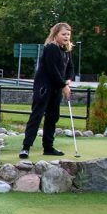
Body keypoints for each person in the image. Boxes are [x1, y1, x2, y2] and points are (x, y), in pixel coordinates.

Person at [20, 23, 75, 158]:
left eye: (68, 34)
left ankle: (48, 147)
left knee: (52, 117)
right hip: (44, 88)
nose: (66, 37)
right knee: (37, 115)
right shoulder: (51, 48)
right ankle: (26, 147)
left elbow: (70, 69)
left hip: (56, 88)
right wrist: (64, 85)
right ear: (56, 35)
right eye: (63, 34)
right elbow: (53, 71)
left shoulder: (66, 51)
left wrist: (68, 79)